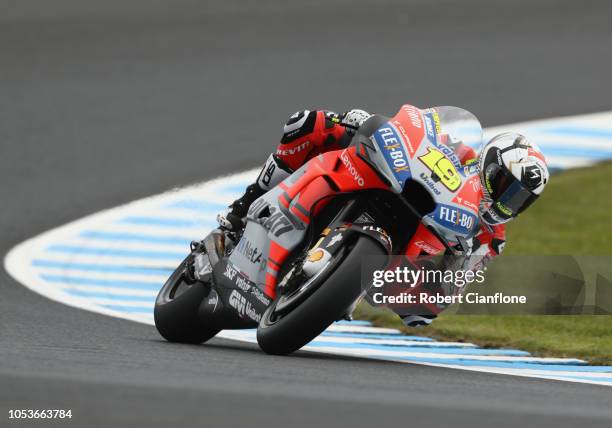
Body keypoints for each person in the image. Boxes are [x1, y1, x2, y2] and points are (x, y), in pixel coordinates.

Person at [216, 107, 550, 326]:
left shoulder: (491, 237)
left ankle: (330, 287)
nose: (506, 202)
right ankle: (242, 210)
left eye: (518, 200)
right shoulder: (459, 150)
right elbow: (418, 130)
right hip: (388, 179)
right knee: (308, 124)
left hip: (400, 255)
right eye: (505, 186)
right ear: (488, 163)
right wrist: (365, 120)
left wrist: (451, 276)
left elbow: (433, 306)